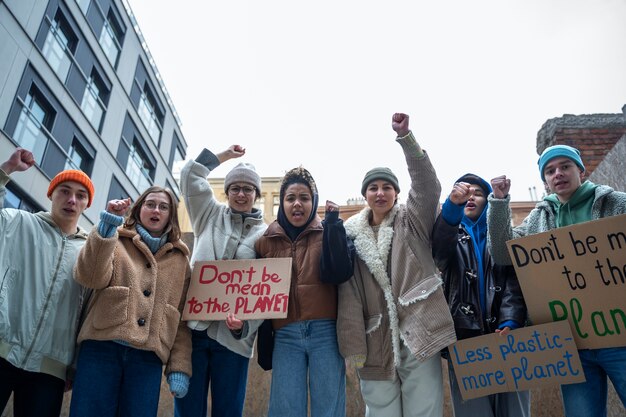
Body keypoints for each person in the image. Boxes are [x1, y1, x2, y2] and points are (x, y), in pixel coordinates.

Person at [488, 144, 626, 417]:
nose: (558, 174)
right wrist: (500, 202)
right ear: (545, 181)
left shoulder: (616, 203)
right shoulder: (539, 216)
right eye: (550, 171)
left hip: (620, 337)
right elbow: (503, 253)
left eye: (565, 167)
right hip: (571, 343)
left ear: (581, 171)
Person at [336, 113, 456, 417]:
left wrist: (407, 138)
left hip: (419, 329)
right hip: (374, 337)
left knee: (424, 409)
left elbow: (428, 186)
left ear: (396, 193)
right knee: (380, 411)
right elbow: (348, 296)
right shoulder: (349, 235)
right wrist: (354, 350)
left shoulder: (411, 220)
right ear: (365, 195)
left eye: (386, 187)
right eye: (373, 187)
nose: (380, 192)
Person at [68, 186, 192, 417]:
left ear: (171, 216)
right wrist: (107, 227)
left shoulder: (181, 261)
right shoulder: (114, 238)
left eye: (163, 207)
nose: (156, 210)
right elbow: (89, 277)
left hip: (147, 361)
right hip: (100, 349)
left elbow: (181, 318)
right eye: (150, 204)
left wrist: (180, 367)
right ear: (138, 209)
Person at [0, 147, 94, 417]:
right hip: (2, 349)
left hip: (50, 368)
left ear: (87, 203)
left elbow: (88, 312)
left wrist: (74, 366)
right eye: (64, 191)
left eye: (80, 195)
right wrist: (7, 169)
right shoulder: (17, 222)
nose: (71, 200)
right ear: (51, 194)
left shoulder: (90, 252)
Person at [176, 145, 268, 417]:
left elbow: (267, 290)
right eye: (235, 188)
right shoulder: (207, 214)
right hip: (195, 331)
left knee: (228, 411)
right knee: (188, 409)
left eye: (248, 189)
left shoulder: (267, 234)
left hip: (233, 340)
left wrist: (245, 325)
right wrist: (225, 156)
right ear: (226, 192)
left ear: (256, 195)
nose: (241, 194)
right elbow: (190, 174)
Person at [255, 166, 353, 417]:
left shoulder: (331, 230)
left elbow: (343, 271)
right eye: (290, 198)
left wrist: (333, 225)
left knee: (329, 408)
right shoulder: (264, 241)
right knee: (285, 409)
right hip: (285, 335)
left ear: (314, 201)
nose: (297, 204)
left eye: (304, 198)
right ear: (282, 203)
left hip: (326, 334)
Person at [432, 173, 530, 417]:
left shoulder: (504, 235)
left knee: (515, 410)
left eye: (477, 193)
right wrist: (451, 207)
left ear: (488, 200)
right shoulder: (450, 236)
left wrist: (511, 320)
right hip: (466, 340)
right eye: (465, 193)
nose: (470, 197)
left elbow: (514, 281)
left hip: (507, 336)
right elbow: (439, 254)